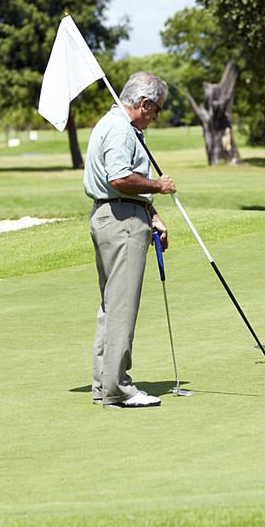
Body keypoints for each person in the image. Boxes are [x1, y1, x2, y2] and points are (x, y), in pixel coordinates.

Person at [84, 72, 176, 407]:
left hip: (115, 215)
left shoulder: (115, 125)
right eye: (157, 109)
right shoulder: (121, 129)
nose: (157, 116)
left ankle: (103, 384)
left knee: (112, 305)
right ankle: (118, 389)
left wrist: (152, 214)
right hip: (121, 220)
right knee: (121, 306)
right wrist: (159, 187)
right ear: (144, 103)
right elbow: (120, 178)